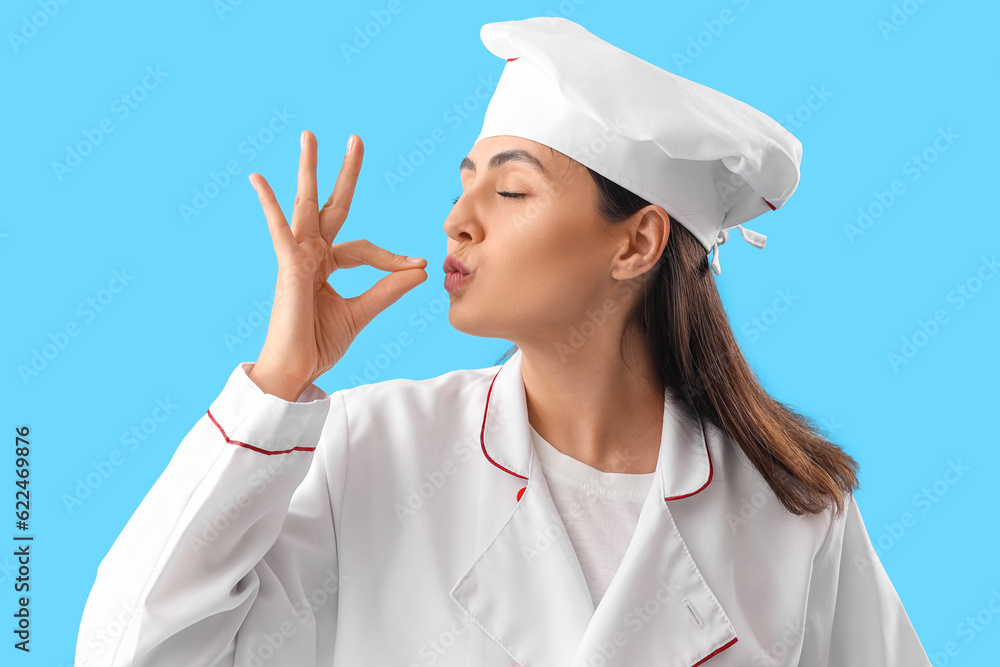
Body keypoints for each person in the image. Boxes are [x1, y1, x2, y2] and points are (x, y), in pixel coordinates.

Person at [75, 16, 932, 667]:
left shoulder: (792, 509)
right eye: (465, 184)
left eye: (512, 191)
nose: (458, 221)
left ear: (635, 242)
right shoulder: (372, 451)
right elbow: (136, 647)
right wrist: (275, 385)